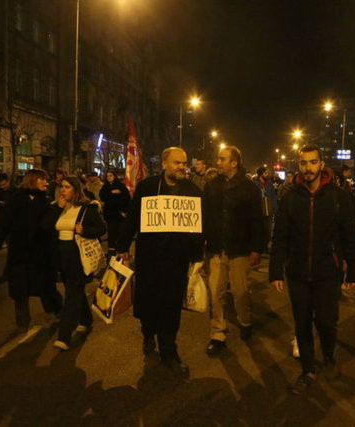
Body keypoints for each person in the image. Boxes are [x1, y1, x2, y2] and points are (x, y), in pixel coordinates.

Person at [270, 145, 355, 394]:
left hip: (327, 273)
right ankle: (308, 369)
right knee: (301, 324)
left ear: (321, 164)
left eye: (312, 162)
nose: (307, 167)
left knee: (326, 322)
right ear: (298, 165)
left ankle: (329, 358)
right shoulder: (290, 197)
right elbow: (280, 237)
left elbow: (349, 236)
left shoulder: (338, 196)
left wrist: (354, 270)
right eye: (303, 163)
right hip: (297, 272)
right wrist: (276, 270)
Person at [117, 147, 203, 376]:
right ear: (164, 163)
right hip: (149, 258)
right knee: (147, 302)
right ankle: (147, 332)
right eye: (177, 162)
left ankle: (169, 351)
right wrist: (122, 247)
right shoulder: (147, 188)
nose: (181, 166)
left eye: (184, 163)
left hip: (177, 260)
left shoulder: (193, 191)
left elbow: (198, 228)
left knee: (172, 306)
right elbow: (133, 218)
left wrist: (197, 257)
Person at [203, 145, 264, 356]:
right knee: (215, 294)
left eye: (222, 159)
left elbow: (258, 221)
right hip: (216, 250)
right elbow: (204, 217)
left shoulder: (250, 188)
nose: (217, 162)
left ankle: (245, 321)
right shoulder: (211, 187)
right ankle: (217, 333)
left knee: (240, 292)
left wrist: (257, 248)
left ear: (233, 163)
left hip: (240, 250)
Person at [0, 169, 63, 332]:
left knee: (47, 287)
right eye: (42, 179)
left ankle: (58, 313)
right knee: (20, 290)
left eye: (46, 179)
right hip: (21, 254)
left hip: (41, 254)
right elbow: (3, 223)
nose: (46, 182)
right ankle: (22, 323)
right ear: (32, 180)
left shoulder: (46, 200)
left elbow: (48, 227)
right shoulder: (17, 199)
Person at [43, 175, 106, 350]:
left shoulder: (87, 208)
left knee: (72, 293)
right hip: (61, 255)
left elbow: (101, 228)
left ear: (76, 189)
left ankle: (64, 335)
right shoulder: (57, 207)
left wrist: (85, 230)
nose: (63, 190)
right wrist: (58, 208)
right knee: (73, 289)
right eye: (62, 186)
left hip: (78, 256)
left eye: (68, 187)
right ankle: (86, 319)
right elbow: (46, 227)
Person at [99, 170, 131, 256]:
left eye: (111, 176)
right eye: (107, 176)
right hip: (110, 214)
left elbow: (126, 198)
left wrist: (124, 211)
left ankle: (121, 250)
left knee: (121, 232)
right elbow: (102, 197)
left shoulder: (121, 186)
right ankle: (112, 251)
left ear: (114, 176)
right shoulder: (105, 187)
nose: (109, 177)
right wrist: (111, 193)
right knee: (112, 232)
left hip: (119, 213)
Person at [253, 166, 278, 250]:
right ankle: (260, 248)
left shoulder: (269, 183)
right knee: (260, 231)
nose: (267, 174)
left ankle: (265, 246)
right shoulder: (255, 183)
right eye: (265, 173)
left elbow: (273, 197)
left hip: (269, 211)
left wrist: (275, 210)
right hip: (260, 211)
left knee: (268, 231)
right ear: (260, 174)